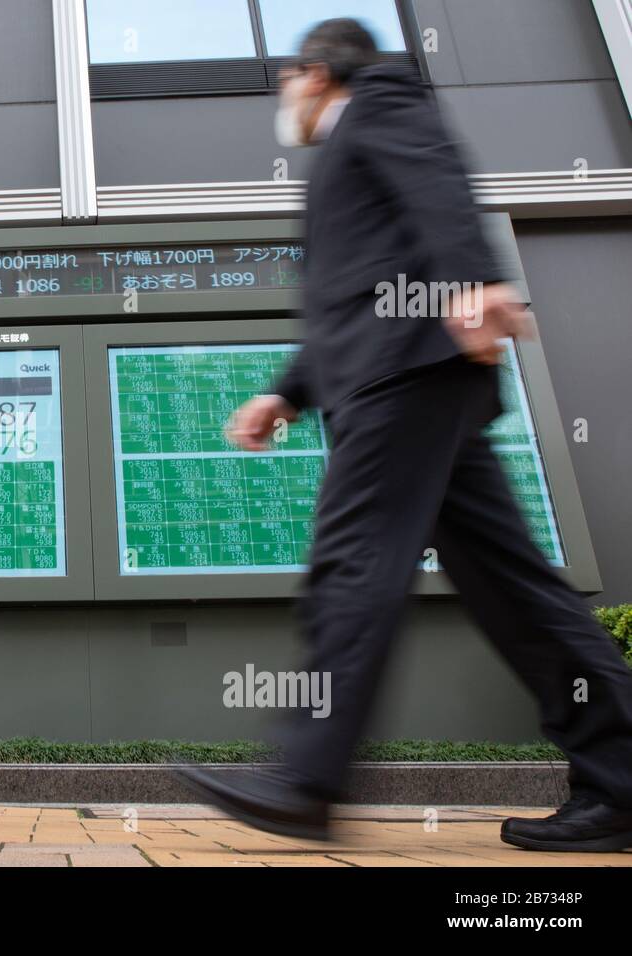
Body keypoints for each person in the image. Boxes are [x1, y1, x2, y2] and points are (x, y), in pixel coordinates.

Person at [173, 19, 632, 851]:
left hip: (407, 377)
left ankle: (305, 775)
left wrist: (479, 279)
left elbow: (439, 180)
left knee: (352, 562)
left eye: (284, 82)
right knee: (516, 591)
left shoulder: (380, 102)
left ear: (314, 74)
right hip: (405, 379)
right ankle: (623, 778)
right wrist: (286, 393)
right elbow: (350, 300)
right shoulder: (339, 165)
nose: (285, 101)